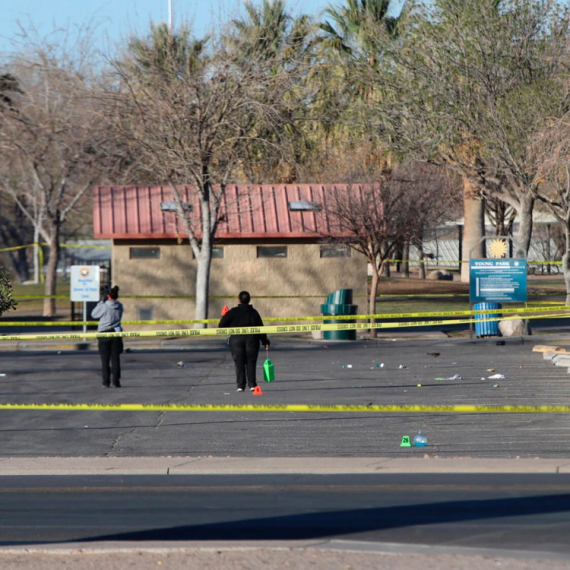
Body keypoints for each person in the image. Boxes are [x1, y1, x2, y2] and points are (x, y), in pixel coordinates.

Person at [219, 291, 270, 392]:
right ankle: (252, 385)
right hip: (252, 340)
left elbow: (221, 326)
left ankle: (240, 386)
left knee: (239, 362)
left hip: (236, 341)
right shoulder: (254, 313)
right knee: (251, 361)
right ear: (249, 300)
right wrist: (265, 342)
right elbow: (260, 329)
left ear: (239, 300)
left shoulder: (233, 312)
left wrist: (224, 315)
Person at [92, 285, 124, 388]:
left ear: (108, 295)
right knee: (115, 359)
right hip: (116, 333)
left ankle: (106, 382)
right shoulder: (120, 305)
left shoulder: (104, 306)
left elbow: (94, 314)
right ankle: (116, 381)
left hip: (104, 333)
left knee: (105, 360)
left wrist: (101, 301)